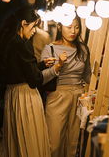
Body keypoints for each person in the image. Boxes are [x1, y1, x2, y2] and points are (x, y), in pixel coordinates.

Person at [0, 7, 60, 157]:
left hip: (12, 93)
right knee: (29, 136)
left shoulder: (7, 40)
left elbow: (19, 70)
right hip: (25, 96)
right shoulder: (22, 44)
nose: (34, 31)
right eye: (33, 26)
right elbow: (34, 80)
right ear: (24, 23)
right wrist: (54, 69)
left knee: (17, 138)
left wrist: (42, 64)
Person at [41, 18, 91, 157]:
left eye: (76, 27)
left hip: (79, 96)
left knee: (74, 142)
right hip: (58, 95)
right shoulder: (50, 48)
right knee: (54, 142)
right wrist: (58, 66)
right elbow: (42, 77)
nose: (73, 31)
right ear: (59, 26)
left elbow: (87, 76)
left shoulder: (83, 48)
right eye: (69, 27)